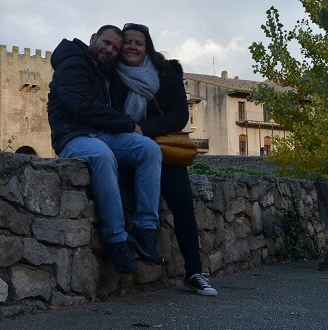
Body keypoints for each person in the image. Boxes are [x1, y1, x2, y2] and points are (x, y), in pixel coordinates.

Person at [47, 25, 164, 275]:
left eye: (115, 48)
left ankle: (146, 230)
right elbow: (80, 104)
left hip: (104, 135)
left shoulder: (106, 72)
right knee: (101, 155)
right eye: (106, 43)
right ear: (93, 39)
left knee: (149, 149)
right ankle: (116, 240)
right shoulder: (73, 61)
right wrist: (125, 124)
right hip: (72, 136)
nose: (109, 49)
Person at [115, 22, 218, 296]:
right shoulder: (112, 73)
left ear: (147, 46)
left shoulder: (167, 73)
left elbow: (179, 115)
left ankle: (194, 272)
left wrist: (143, 129)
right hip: (127, 151)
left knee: (183, 206)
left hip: (162, 150)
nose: (133, 47)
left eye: (139, 43)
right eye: (128, 42)